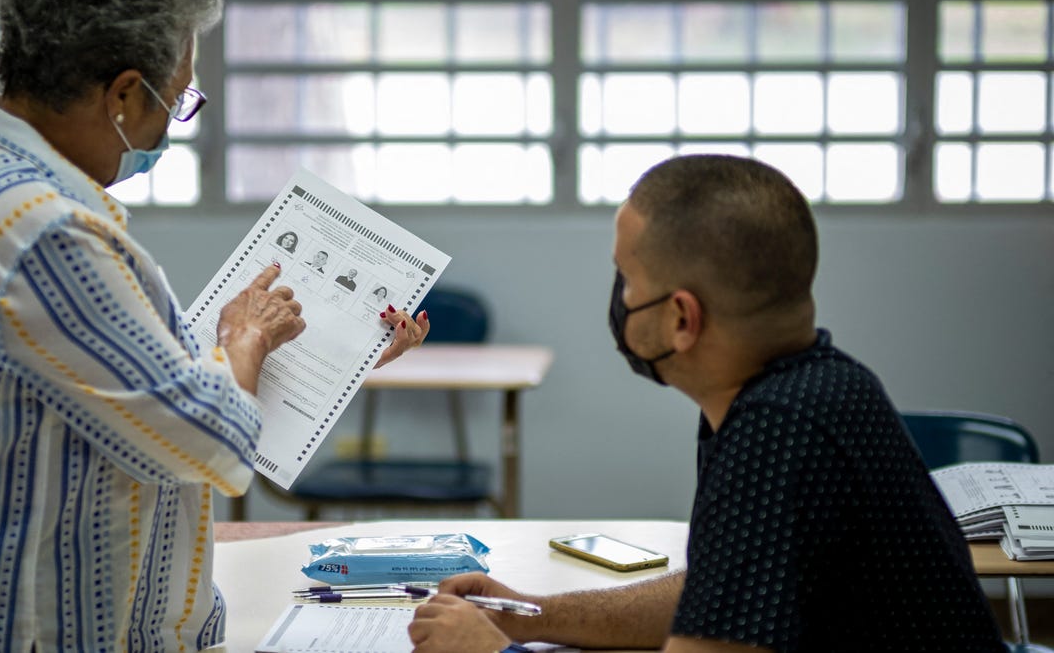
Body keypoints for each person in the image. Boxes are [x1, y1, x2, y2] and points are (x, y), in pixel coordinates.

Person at [0, 0, 429, 651]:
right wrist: (247, 336)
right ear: (125, 94)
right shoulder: (44, 232)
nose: (174, 122)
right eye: (177, 97)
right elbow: (204, 438)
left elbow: (120, 374)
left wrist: (331, 346)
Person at [409, 155, 1005, 653]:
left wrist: (494, 652)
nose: (619, 298)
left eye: (626, 278)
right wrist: (528, 614)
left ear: (682, 317)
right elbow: (720, 603)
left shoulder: (774, 432)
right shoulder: (822, 386)